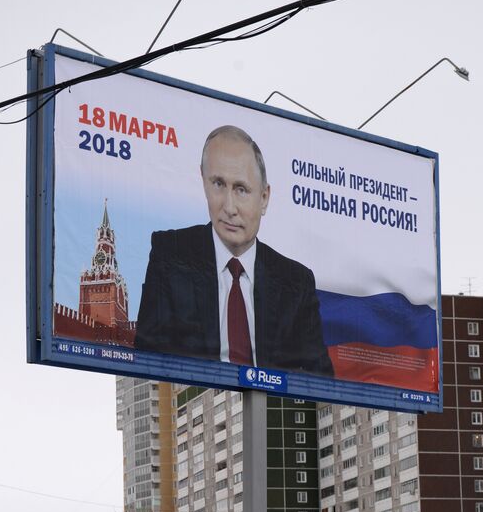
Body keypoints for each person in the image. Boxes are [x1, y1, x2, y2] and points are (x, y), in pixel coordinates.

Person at [134, 124, 334, 376]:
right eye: (218, 184)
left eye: (241, 189)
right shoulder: (171, 254)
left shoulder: (295, 282)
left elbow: (320, 381)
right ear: (204, 182)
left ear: (264, 198)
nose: (229, 207)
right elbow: (145, 360)